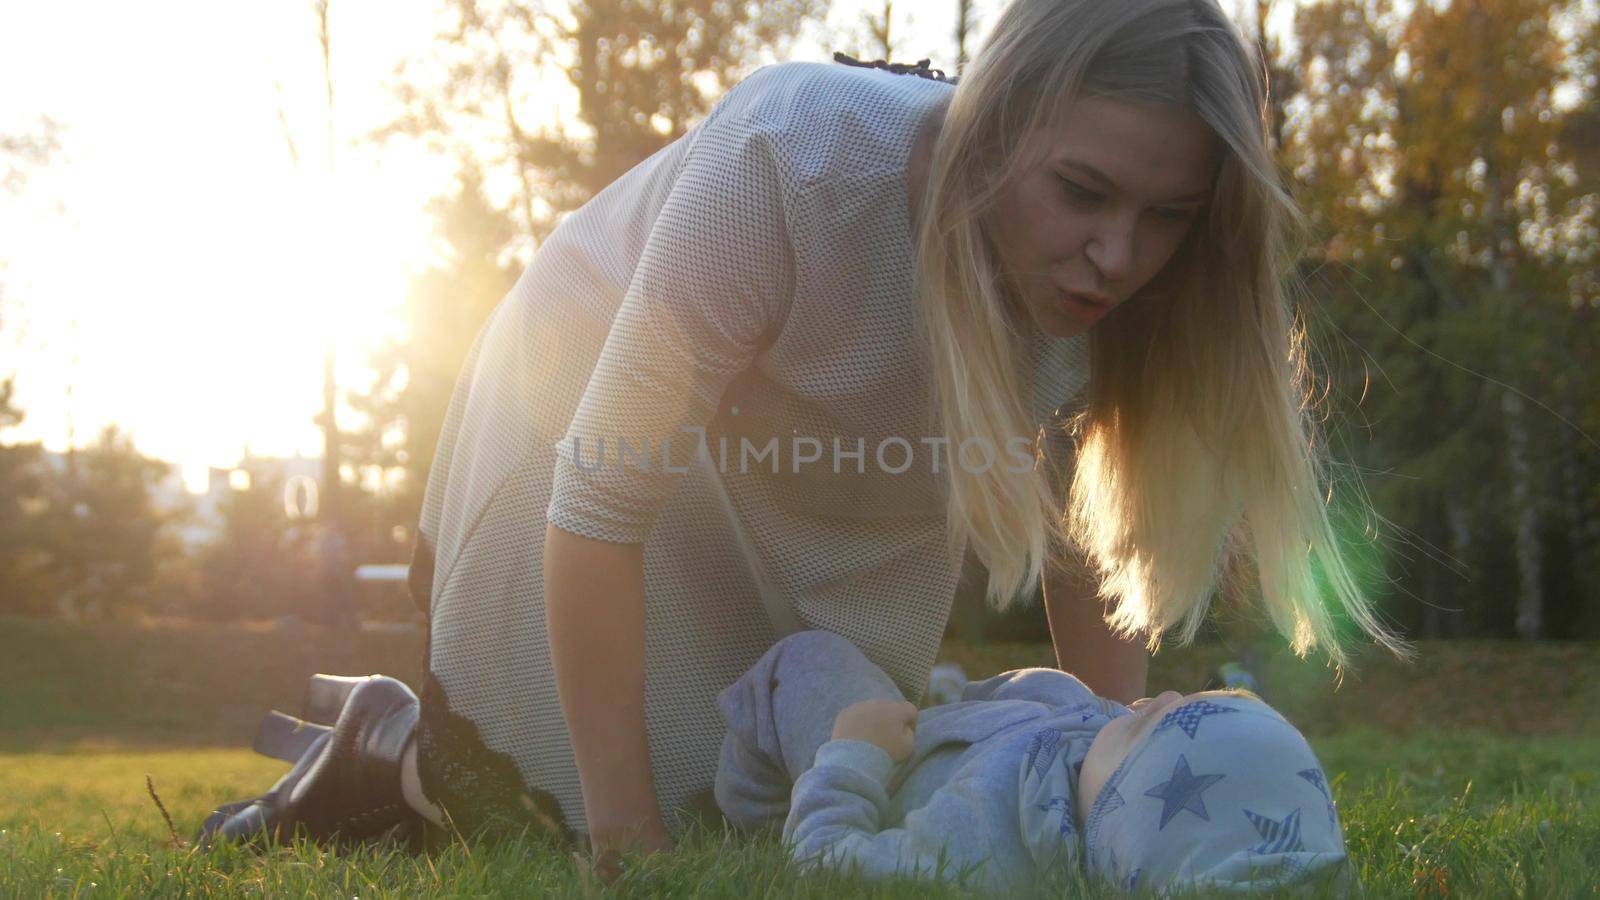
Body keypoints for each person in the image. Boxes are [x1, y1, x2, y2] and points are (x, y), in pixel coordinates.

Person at [198, 0, 1413, 869]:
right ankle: (392, 745)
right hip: (581, 400)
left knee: (780, 784)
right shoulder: (794, 160)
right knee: (569, 805)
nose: (1116, 256)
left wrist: (1095, 770)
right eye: (1083, 193)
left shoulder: (1121, 289)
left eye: (1167, 217)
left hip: (831, 454)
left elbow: (1079, 543)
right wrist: (625, 845)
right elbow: (600, 505)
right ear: (991, 133)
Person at [717, 630, 1350, 894]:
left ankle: (755, 811)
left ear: (1118, 810)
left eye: (1150, 723)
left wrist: (852, 757)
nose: (1162, 693)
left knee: (804, 662)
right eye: (1188, 699)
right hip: (953, 725)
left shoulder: (983, 854)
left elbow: (828, 869)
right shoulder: (1093, 762)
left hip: (882, 761)